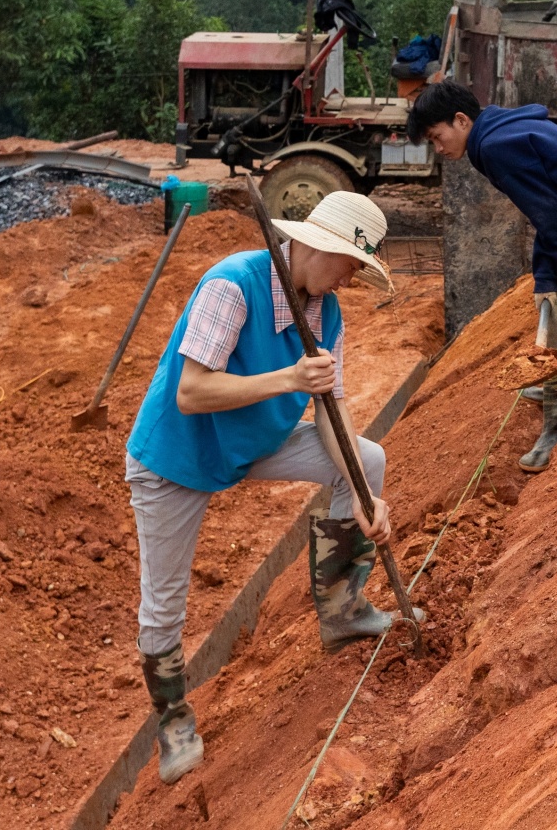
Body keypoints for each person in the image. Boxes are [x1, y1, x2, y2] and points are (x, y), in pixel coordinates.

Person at [124, 191, 416, 785]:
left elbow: (331, 408)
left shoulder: (326, 313)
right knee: (164, 602)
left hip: (252, 443)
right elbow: (192, 393)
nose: (351, 279)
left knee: (367, 459)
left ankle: (341, 607)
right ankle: (174, 720)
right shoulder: (232, 285)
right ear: (316, 246)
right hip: (176, 456)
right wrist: (287, 377)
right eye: (351, 265)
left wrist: (364, 496)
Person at [408, 80, 557, 472]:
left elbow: (547, 213)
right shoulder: (495, 133)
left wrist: (545, 276)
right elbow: (549, 206)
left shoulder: (496, 147)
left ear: (461, 120)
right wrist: (547, 273)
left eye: (437, 136)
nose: (439, 149)